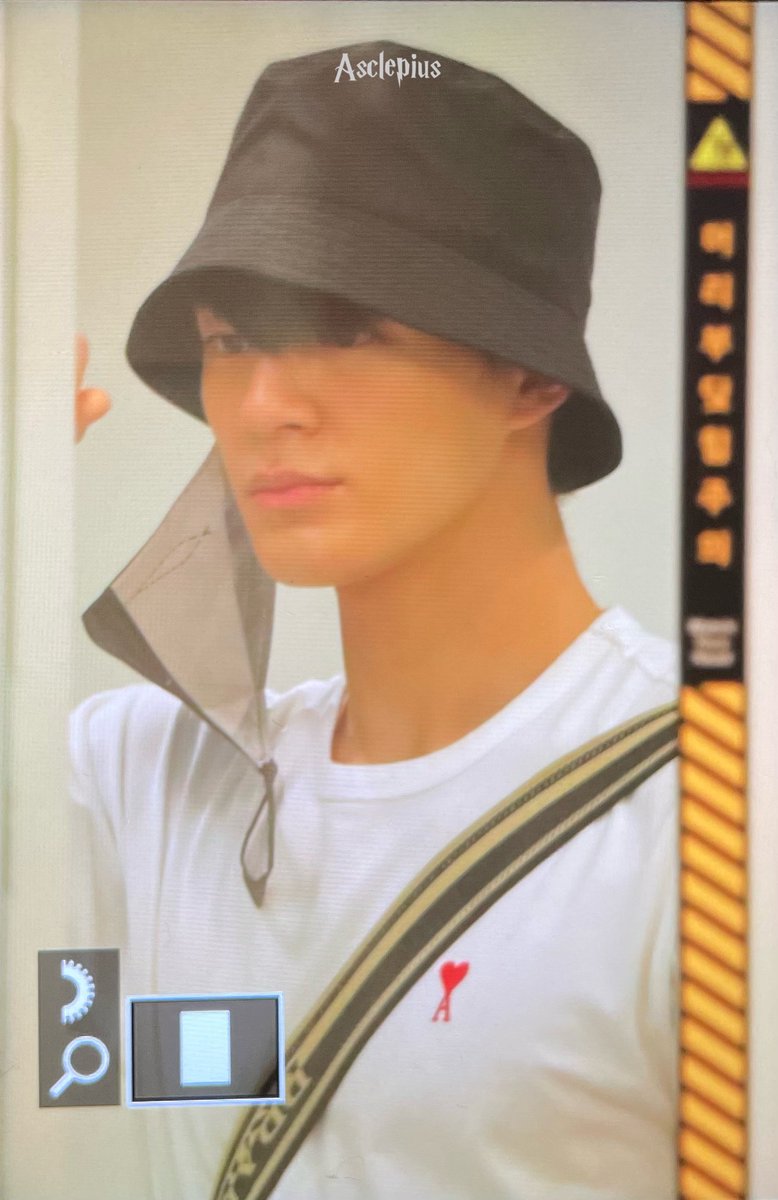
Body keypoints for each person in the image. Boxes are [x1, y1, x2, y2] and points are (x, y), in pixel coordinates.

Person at [71, 41, 678, 1200]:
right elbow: (79, 1086)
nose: (262, 405)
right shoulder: (143, 785)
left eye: (348, 329)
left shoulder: (701, 820)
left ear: (530, 376)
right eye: (230, 340)